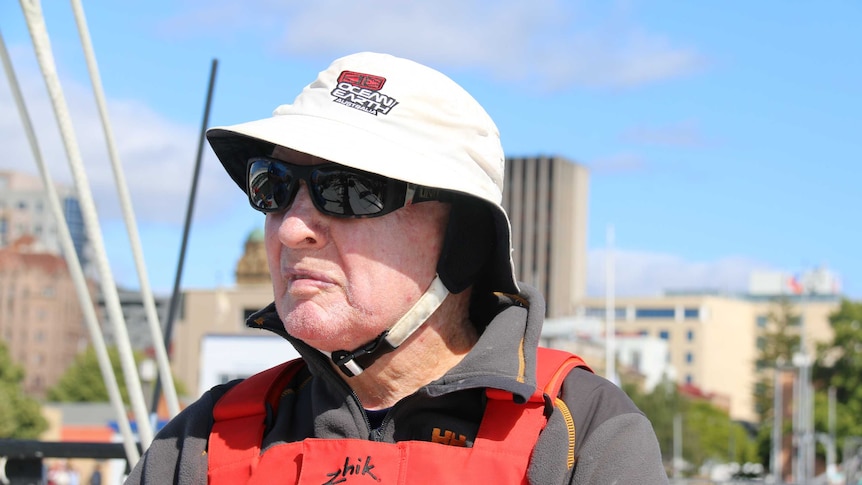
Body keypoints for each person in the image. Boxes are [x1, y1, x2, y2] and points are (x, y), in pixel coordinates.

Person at [125, 51, 667, 484]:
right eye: (274, 186)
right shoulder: (204, 442)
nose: (292, 229)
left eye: (346, 191)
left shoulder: (580, 435)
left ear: (463, 240)